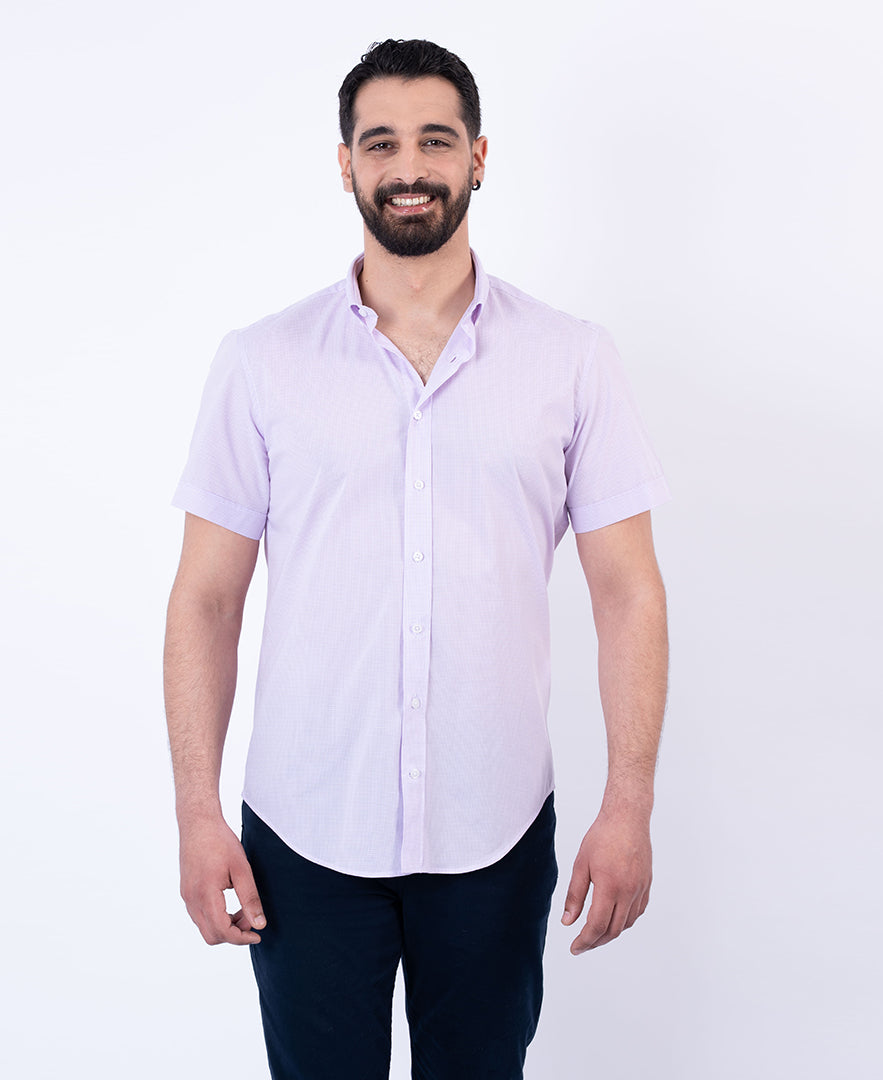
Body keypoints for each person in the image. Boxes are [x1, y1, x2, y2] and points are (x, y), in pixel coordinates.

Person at [164, 38, 670, 1080]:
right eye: (381, 142)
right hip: (304, 831)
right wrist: (197, 813)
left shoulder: (573, 359)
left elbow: (628, 593)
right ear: (344, 163)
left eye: (436, 141)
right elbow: (206, 600)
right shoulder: (261, 363)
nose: (409, 168)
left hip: (496, 827)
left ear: (478, 158)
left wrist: (629, 805)